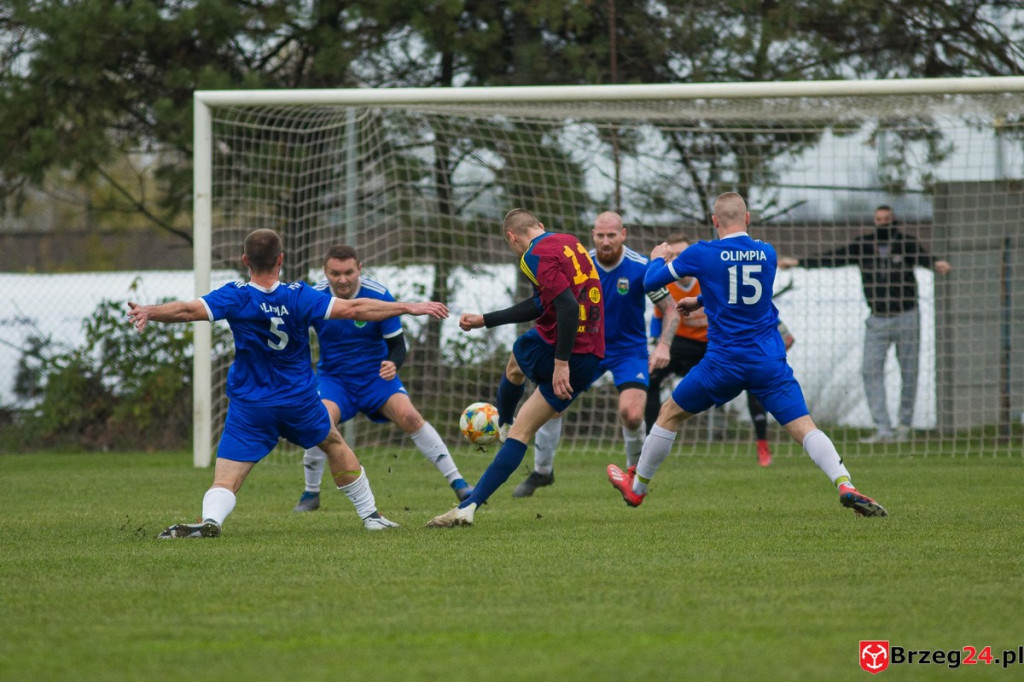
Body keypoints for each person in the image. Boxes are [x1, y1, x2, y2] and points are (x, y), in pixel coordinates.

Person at [127, 228, 449, 538]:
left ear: (245, 261)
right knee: (334, 444)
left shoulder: (234, 297)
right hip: (298, 401)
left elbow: (186, 311)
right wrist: (409, 306)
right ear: (280, 260)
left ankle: (211, 520)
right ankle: (370, 516)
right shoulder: (300, 296)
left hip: (251, 404)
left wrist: (149, 311)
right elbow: (355, 307)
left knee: (226, 478)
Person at [607, 193, 888, 518]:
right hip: (767, 362)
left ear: (714, 221)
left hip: (723, 364)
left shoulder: (702, 252)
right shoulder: (766, 253)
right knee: (804, 426)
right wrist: (701, 301)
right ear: (748, 218)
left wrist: (658, 257)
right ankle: (844, 483)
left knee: (669, 414)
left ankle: (637, 489)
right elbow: (741, 292)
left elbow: (650, 281)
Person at [426, 208, 606, 527]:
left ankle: (504, 425)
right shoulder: (570, 243)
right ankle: (469, 505)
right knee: (516, 373)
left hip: (564, 350)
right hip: (591, 353)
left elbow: (566, 305)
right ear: (540, 225)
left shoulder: (532, 256)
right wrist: (486, 320)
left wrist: (561, 363)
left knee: (520, 364)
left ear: (512, 237)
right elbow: (543, 303)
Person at [293, 245, 473, 512]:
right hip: (335, 380)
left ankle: (458, 483)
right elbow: (295, 339)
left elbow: (398, 345)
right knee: (320, 420)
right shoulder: (315, 296)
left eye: (348, 272)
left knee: (410, 416)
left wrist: (393, 363)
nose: (342, 279)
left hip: (376, 378)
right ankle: (311, 494)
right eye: (335, 273)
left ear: (360, 269)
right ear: (325, 272)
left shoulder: (378, 295)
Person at [512, 211, 677, 498]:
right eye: (600, 235)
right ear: (592, 235)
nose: (605, 241)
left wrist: (663, 345)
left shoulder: (639, 267)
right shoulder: (580, 263)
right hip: (586, 346)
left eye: (611, 235)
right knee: (553, 405)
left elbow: (671, 308)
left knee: (632, 413)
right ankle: (542, 471)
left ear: (623, 235)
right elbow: (552, 304)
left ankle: (634, 478)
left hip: (629, 351)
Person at [779, 205, 952, 443]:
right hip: (877, 319)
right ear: (874, 221)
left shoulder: (906, 243)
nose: (882, 223)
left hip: (907, 316)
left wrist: (936, 264)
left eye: (886, 219)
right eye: (878, 219)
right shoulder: (864, 245)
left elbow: (924, 258)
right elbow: (832, 258)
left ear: (894, 220)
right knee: (870, 371)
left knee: (909, 372)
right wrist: (798, 262)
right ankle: (883, 429)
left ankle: (904, 425)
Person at [645, 234, 796, 467]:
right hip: (683, 345)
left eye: (681, 253)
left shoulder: (711, 273)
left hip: (717, 345)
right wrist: (656, 346)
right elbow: (660, 319)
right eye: (672, 255)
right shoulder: (665, 287)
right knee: (651, 377)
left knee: (754, 374)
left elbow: (753, 305)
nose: (677, 258)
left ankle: (762, 444)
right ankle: (651, 440)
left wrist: (782, 330)